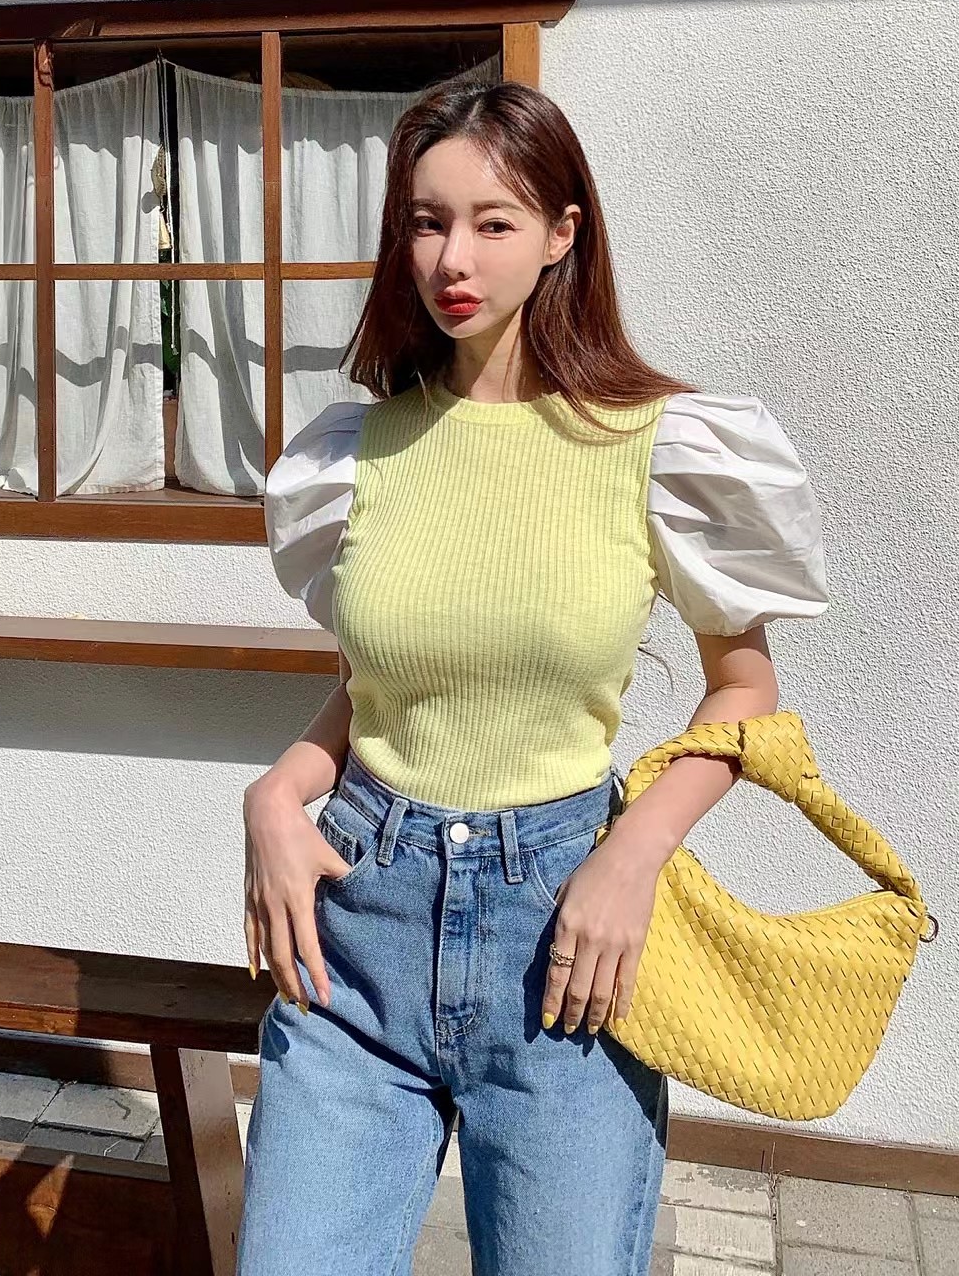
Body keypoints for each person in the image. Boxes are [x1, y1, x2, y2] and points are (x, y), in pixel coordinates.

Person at [236, 78, 829, 1276]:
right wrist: (277, 795)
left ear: (562, 233)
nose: (450, 259)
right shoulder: (359, 453)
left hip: (564, 940)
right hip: (356, 939)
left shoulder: (661, 445)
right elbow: (380, 688)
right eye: (425, 221)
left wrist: (632, 852)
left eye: (491, 222)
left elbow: (745, 692)